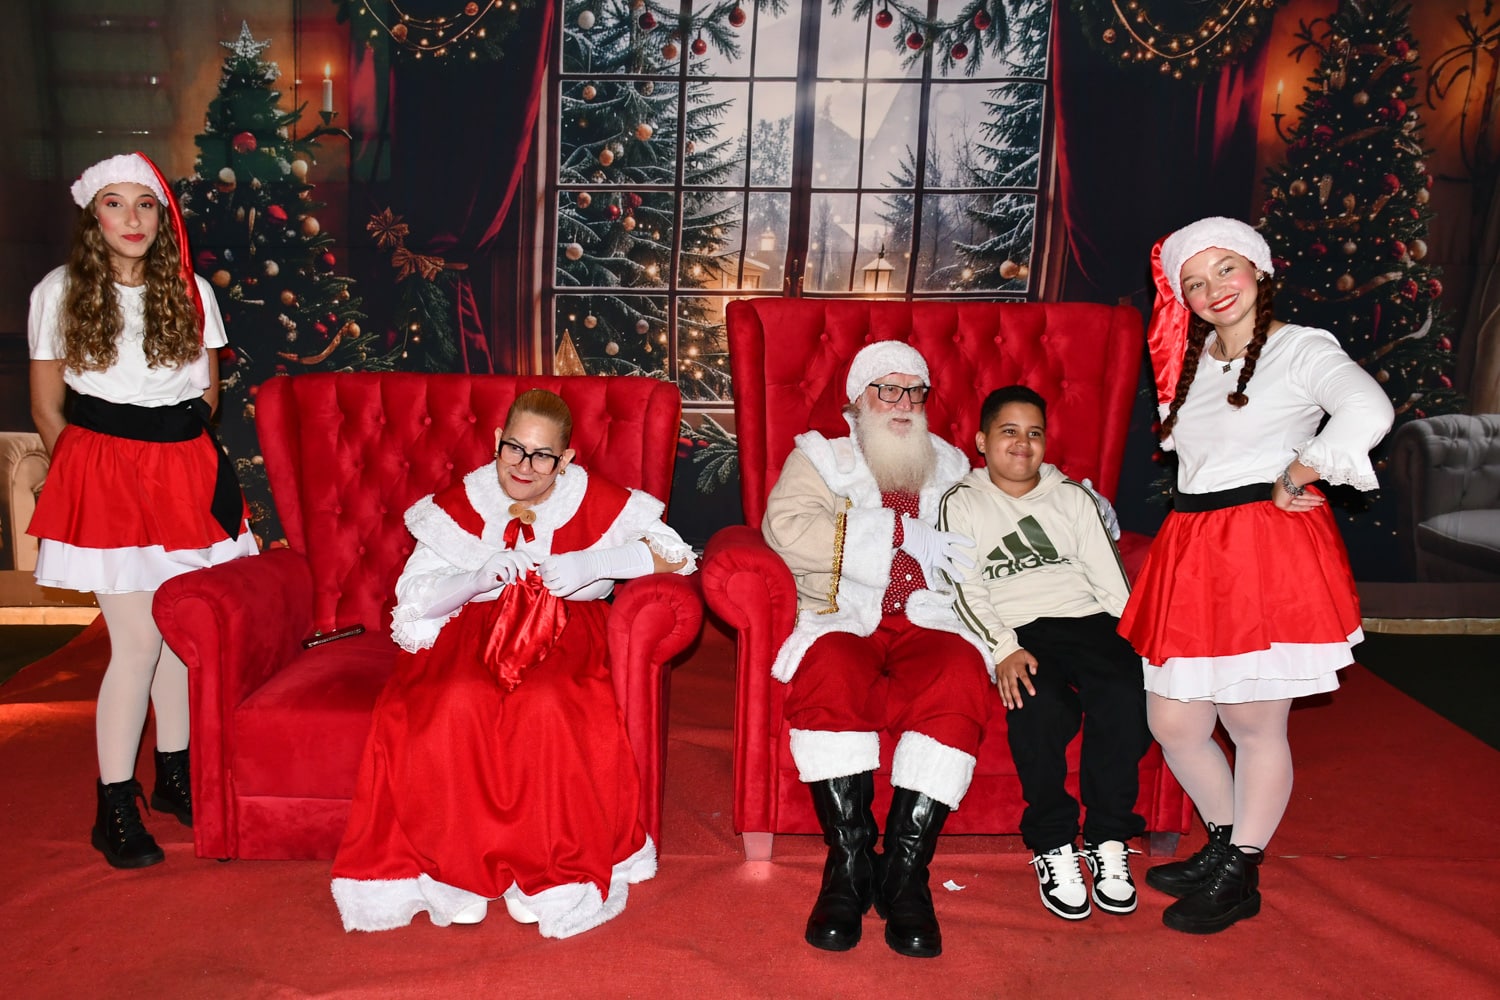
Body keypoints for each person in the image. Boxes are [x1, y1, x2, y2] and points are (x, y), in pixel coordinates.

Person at [330, 389, 696, 938]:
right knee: (455, 702)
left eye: (542, 456)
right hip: (469, 632)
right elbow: (414, 598)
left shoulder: (596, 499)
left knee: (547, 705)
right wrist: (473, 579)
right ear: (497, 441)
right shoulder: (461, 502)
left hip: (565, 631)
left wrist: (595, 563)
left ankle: (544, 872)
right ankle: (458, 873)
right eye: (515, 449)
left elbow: (677, 555)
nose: (524, 466)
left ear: (565, 459)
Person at [1118, 217, 1395, 934]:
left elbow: (1369, 408)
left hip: (1260, 549)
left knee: (1251, 722)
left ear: (1259, 269)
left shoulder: (1300, 348)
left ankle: (1241, 869)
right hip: (1191, 546)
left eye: (1225, 269)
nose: (1213, 289)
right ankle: (1224, 839)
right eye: (1194, 283)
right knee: (1174, 720)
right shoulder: (1193, 360)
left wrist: (1301, 470)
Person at [27, 152, 256, 870]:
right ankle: (114, 803)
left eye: (145, 204)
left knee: (180, 637)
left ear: (163, 215)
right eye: (115, 204)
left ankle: (173, 774)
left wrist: (176, 455)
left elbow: (207, 395)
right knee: (137, 642)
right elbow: (47, 407)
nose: (132, 219)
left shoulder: (190, 289)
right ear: (92, 216)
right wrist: (87, 477)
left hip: (183, 468)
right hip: (105, 474)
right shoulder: (59, 291)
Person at [761, 341, 990, 959]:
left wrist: (1067, 503)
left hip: (930, 616)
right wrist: (892, 533)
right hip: (846, 612)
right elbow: (785, 528)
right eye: (887, 389)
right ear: (857, 401)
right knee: (830, 669)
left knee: (961, 670)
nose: (903, 403)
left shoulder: (951, 463)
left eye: (914, 391)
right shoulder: (821, 457)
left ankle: (906, 871)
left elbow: (987, 531)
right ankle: (850, 863)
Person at [939, 385, 1150, 922]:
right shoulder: (960, 501)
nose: (1023, 443)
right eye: (1009, 431)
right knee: (1039, 706)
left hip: (1088, 620)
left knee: (1126, 695)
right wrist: (1002, 648)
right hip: (1021, 629)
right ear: (981, 441)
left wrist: (1138, 643)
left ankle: (1107, 838)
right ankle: (1054, 843)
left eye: (1034, 433)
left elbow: (1111, 581)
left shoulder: (1072, 497)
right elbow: (963, 587)